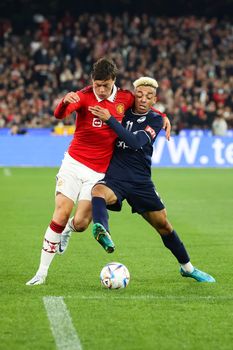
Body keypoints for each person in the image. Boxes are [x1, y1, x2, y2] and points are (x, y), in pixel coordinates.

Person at [26, 59, 171, 286]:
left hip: (99, 172)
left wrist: (163, 117)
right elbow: (59, 115)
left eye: (105, 85)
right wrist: (65, 101)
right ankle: (41, 273)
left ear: (113, 81)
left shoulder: (125, 98)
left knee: (82, 223)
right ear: (91, 81)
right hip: (74, 163)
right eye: (97, 85)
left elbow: (146, 106)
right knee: (61, 213)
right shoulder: (83, 96)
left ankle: (69, 230)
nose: (101, 90)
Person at [89, 77, 215, 283]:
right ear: (133, 95)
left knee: (164, 226)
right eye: (139, 95)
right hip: (116, 177)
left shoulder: (155, 120)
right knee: (98, 192)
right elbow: (103, 95)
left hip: (141, 182)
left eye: (148, 97)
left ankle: (188, 268)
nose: (143, 99)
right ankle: (102, 231)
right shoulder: (122, 111)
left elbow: (136, 142)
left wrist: (110, 120)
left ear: (154, 99)